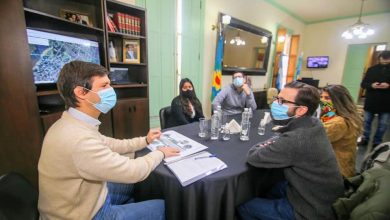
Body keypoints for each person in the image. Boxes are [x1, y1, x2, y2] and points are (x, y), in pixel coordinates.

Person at [38, 61, 180, 220]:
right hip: (85, 215)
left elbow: (110, 144)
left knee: (140, 185)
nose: (111, 90)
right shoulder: (78, 140)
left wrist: (145, 140)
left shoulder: (72, 123)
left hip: (86, 199)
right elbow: (133, 171)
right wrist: (160, 153)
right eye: (104, 86)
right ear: (81, 92)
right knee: (164, 207)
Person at [238, 81, 344, 220]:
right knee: (269, 188)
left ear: (301, 110)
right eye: (277, 98)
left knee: (244, 206)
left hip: (310, 211)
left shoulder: (297, 139)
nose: (275, 103)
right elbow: (281, 140)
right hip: (322, 197)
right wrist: (274, 141)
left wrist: (266, 144)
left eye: (282, 101)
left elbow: (254, 156)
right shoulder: (314, 123)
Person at [320, 85, 363, 177]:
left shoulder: (339, 122)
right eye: (321, 97)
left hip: (335, 172)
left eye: (327, 98)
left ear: (338, 101)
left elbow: (313, 138)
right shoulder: (336, 114)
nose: (322, 101)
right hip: (343, 166)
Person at [359, 50, 390, 149]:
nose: (385, 61)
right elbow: (363, 84)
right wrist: (372, 85)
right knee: (366, 122)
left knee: (383, 124)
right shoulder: (372, 69)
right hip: (371, 100)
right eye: (383, 58)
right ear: (379, 58)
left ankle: (377, 142)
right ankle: (365, 138)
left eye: (387, 59)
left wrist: (388, 85)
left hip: (387, 102)